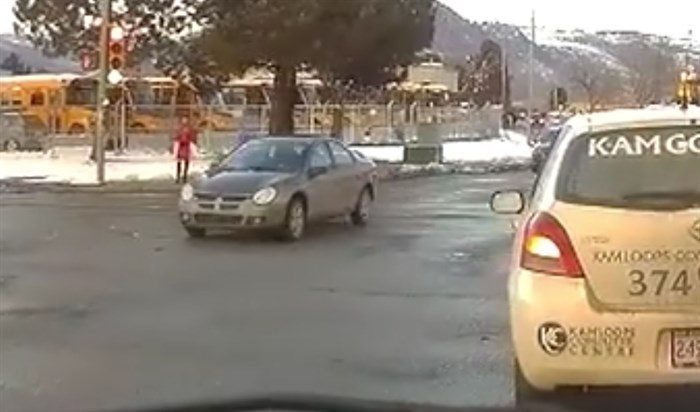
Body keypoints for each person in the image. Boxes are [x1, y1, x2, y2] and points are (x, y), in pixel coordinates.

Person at [173, 117, 198, 183]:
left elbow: (192, 137)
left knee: (186, 162)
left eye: (185, 120)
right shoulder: (179, 129)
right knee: (179, 163)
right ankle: (178, 177)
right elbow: (176, 138)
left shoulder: (189, 129)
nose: (184, 121)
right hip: (181, 147)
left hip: (186, 147)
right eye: (183, 120)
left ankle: (184, 176)